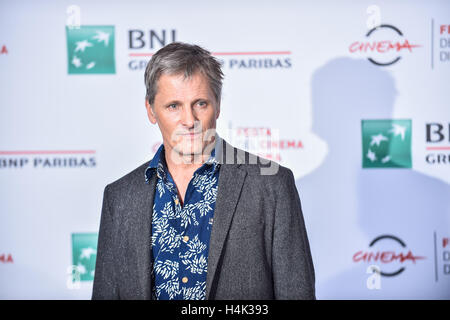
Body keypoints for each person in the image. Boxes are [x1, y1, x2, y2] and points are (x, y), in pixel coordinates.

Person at [92, 42, 315, 300]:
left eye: (200, 103)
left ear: (218, 106)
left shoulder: (271, 185)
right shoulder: (119, 198)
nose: (189, 120)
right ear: (151, 111)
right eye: (173, 106)